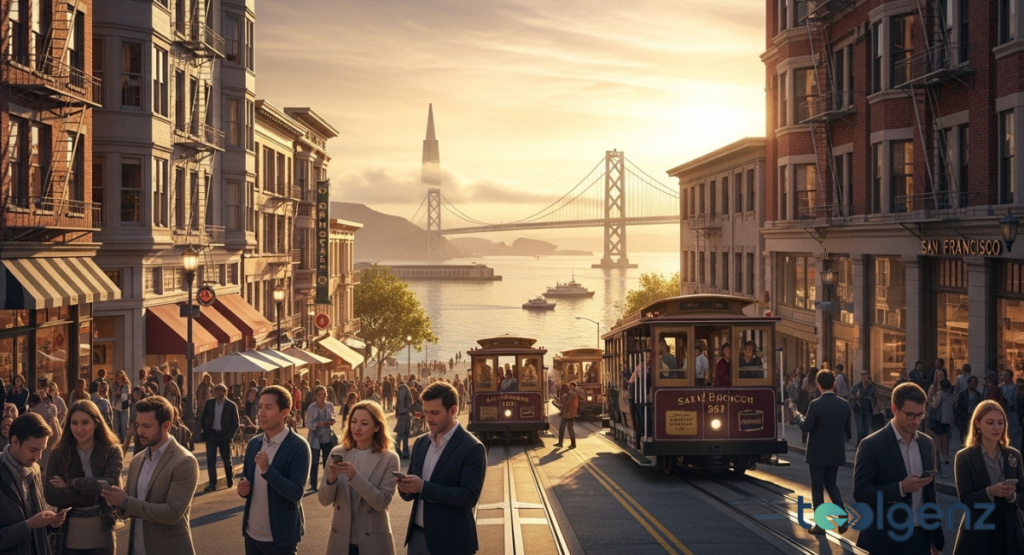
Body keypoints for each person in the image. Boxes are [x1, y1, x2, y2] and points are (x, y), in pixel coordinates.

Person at [100, 395, 200, 555]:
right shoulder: (137, 460)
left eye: (147, 426)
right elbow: (129, 506)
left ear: (166, 425)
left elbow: (173, 514)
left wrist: (125, 501)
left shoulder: (184, 461)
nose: (140, 431)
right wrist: (114, 500)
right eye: (138, 425)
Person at [853, 382, 944, 555]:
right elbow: (861, 493)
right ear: (894, 409)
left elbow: (930, 494)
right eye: (910, 415)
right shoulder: (872, 445)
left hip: (920, 537)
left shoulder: (927, 443)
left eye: (920, 415)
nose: (916, 421)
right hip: (885, 538)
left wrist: (935, 535)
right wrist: (901, 488)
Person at [397, 382, 486, 555]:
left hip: (451, 542)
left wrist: (423, 487)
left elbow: (468, 497)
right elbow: (411, 492)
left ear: (453, 410)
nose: (428, 418)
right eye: (426, 412)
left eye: (435, 413)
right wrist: (405, 487)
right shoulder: (421, 443)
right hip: (417, 538)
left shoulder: (472, 447)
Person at [318, 400, 400, 555]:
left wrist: (355, 477)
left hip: (374, 541)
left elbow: (381, 503)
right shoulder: (339, 452)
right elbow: (324, 500)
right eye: (354, 421)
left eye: (364, 423)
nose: (357, 427)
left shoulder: (389, 458)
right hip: (341, 540)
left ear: (377, 427)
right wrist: (331, 479)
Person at [236, 385, 311, 555]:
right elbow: (247, 481)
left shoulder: (298, 447)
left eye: (268, 408)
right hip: (251, 534)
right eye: (260, 406)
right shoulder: (254, 444)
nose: (261, 413)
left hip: (281, 539)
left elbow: (296, 493)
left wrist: (268, 470)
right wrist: (242, 489)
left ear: (285, 412)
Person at [43, 400, 124, 555]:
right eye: (74, 423)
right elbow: (51, 495)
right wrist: (95, 493)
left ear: (96, 423)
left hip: (102, 528)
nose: (79, 429)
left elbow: (111, 485)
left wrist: (70, 484)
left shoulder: (112, 451)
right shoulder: (58, 453)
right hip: (69, 530)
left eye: (85, 422)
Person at [949, 400, 1024, 554]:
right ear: (978, 423)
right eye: (990, 422)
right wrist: (990, 491)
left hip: (1008, 532)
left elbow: (1023, 496)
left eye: (1000, 422)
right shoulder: (964, 457)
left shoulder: (1013, 455)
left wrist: (1012, 496)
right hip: (978, 531)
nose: (996, 427)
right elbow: (965, 499)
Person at [791, 370, 850, 535]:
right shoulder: (844, 405)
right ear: (834, 384)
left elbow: (806, 426)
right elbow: (847, 430)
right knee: (831, 484)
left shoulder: (816, 404)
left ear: (818, 385)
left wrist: (797, 416)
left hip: (817, 452)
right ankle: (842, 515)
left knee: (817, 488)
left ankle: (821, 524)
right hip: (836, 451)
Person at [0, 412, 67, 555]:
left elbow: (36, 524)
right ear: (15, 441)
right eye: (33, 450)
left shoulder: (34, 469)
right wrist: (28, 525)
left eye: (42, 450)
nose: (38, 457)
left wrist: (50, 523)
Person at [200, 383, 239, 492]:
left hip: (224, 435)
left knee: (226, 460)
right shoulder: (210, 403)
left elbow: (235, 423)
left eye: (220, 390)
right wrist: (205, 429)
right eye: (216, 390)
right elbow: (203, 417)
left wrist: (229, 436)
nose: (218, 392)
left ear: (225, 392)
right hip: (212, 434)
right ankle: (212, 483)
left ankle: (229, 479)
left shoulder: (231, 405)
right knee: (211, 459)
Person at [305, 386, 337, 492]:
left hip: (327, 436)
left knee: (327, 462)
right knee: (314, 462)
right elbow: (307, 423)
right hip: (315, 437)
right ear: (315, 396)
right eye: (320, 395)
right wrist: (317, 424)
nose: (322, 397)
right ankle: (313, 485)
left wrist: (331, 421)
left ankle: (326, 483)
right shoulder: (311, 408)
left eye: (324, 394)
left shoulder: (330, 405)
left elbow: (334, 418)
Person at [27, 394, 60, 473]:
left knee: (43, 466)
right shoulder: (47, 408)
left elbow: (45, 431)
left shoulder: (36, 413)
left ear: (31, 404)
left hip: (46, 443)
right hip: (56, 439)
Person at [929, 379, 955, 465]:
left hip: (939, 419)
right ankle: (946, 456)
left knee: (938, 438)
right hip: (948, 419)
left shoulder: (940, 394)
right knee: (945, 438)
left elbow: (935, 405)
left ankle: (940, 455)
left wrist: (930, 402)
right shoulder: (951, 395)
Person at [956, 376, 984, 448]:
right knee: (963, 438)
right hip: (963, 420)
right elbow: (958, 407)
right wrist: (965, 416)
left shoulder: (978, 395)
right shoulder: (962, 394)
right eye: (972, 381)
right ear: (968, 383)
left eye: (975, 382)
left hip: (974, 419)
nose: (973, 383)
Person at [850, 371, 877, 445]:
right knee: (859, 429)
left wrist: (874, 406)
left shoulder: (872, 387)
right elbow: (851, 396)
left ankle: (864, 444)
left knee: (866, 429)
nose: (866, 380)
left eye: (867, 378)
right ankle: (859, 444)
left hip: (868, 411)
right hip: (859, 410)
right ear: (861, 378)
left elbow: (875, 397)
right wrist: (855, 397)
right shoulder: (857, 386)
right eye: (864, 378)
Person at [554, 381, 582, 450]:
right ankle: (561, 443)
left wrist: (558, 403)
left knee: (568, 429)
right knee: (564, 428)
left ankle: (572, 444)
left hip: (569, 414)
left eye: (569, 386)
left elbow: (566, 403)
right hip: (569, 413)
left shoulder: (572, 394)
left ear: (572, 386)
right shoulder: (572, 393)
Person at [1001, 371, 1021, 451]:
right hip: (1003, 409)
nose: (1005, 377)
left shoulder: (1015, 387)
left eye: (1007, 376)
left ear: (1011, 377)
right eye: (1004, 376)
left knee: (1013, 431)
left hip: (1011, 410)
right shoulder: (1001, 387)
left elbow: (1015, 398)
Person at [394, 378, 412, 459]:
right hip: (406, 414)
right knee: (405, 435)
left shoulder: (402, 389)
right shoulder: (406, 390)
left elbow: (400, 403)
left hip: (402, 414)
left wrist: (399, 411)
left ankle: (397, 451)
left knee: (400, 434)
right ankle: (405, 453)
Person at [110, 371, 130, 444]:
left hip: (123, 407)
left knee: (124, 425)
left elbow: (126, 396)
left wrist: (121, 391)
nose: (119, 379)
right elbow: (112, 394)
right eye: (117, 377)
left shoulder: (126, 385)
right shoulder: (114, 385)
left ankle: (124, 441)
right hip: (115, 407)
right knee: (116, 425)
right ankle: (116, 440)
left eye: (120, 377)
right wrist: (116, 393)